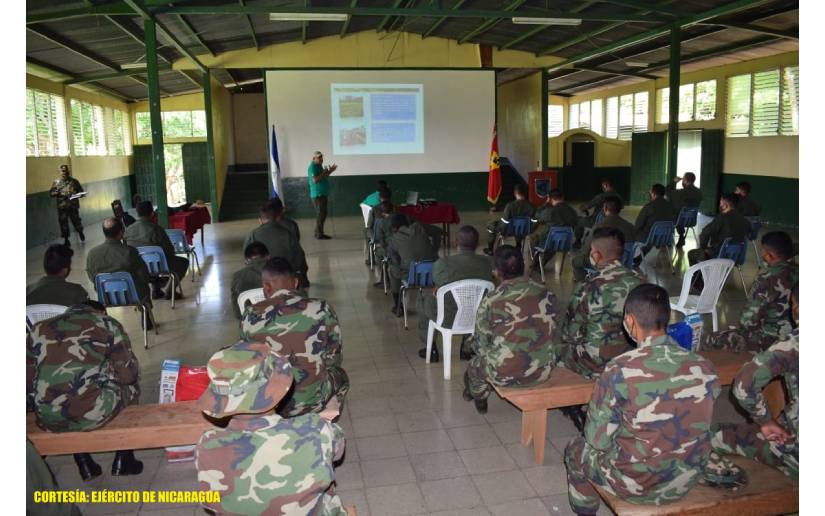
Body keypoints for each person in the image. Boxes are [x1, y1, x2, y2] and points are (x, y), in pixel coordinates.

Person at [564, 284, 720, 515]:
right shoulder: (704, 366)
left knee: (575, 449)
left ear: (630, 320)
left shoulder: (619, 369)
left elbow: (597, 440)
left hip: (634, 484)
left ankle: (584, 512)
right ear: (666, 318)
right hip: (685, 479)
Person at [196, 340, 346, 515]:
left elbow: (210, 501)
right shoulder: (316, 430)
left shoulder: (206, 446)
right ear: (276, 388)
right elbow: (338, 451)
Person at [27, 300, 143, 481]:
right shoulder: (107, 324)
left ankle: (84, 463)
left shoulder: (38, 328)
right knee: (131, 387)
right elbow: (128, 375)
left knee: (71, 397)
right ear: (102, 312)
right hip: (92, 413)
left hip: (47, 416)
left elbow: (26, 383)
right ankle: (124, 458)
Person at [556, 228, 645, 431]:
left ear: (596, 255)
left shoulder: (587, 287)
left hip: (595, 362)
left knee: (556, 351)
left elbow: (570, 334)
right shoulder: (641, 282)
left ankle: (573, 404)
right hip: (632, 358)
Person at [710, 284, 798, 480]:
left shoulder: (794, 346)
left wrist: (766, 421)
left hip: (797, 452)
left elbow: (744, 384)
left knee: (712, 434)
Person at [240, 258, 349, 417]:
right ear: (296, 282)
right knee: (341, 375)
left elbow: (248, 360)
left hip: (267, 402)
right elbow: (334, 358)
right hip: (312, 402)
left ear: (266, 286)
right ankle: (327, 420)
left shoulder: (250, 315)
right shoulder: (321, 308)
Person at [462, 245, 558, 414]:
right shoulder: (547, 293)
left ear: (496, 272)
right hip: (543, 370)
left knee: (474, 367)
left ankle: (480, 397)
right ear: (524, 266)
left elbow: (481, 346)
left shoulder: (492, 299)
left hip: (504, 374)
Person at [704, 231, 798, 352]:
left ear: (770, 255)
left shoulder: (767, 279)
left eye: (762, 250)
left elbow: (747, 322)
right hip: (795, 336)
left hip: (771, 340)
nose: (761, 254)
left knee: (712, 338)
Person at [415, 226, 493, 362]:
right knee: (472, 299)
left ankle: (431, 348)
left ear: (456, 242)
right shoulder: (487, 263)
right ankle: (467, 347)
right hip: (477, 314)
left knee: (423, 300)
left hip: (448, 317)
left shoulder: (442, 264)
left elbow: (437, 286)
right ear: (477, 243)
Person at [124, 200, 188, 300]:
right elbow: (169, 250)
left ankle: (156, 290)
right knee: (183, 263)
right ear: (152, 213)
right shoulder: (156, 229)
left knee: (150, 261)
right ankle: (169, 291)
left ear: (137, 213)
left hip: (138, 266)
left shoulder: (128, 230)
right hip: (158, 265)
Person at [86, 217, 153, 307]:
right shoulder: (130, 251)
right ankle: (147, 316)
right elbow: (144, 276)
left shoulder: (92, 253)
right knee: (144, 287)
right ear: (121, 232)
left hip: (105, 296)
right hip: (132, 295)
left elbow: (92, 277)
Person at [244, 201, 309, 288]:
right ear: (278, 218)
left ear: (260, 220)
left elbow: (247, 259)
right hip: (285, 282)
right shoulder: (288, 234)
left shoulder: (252, 235)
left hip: (260, 282)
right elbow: (299, 259)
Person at [571, 197, 636, 282]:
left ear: (605, 208)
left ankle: (584, 285)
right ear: (619, 209)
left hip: (603, 263)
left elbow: (585, 250)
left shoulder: (599, 227)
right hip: (625, 263)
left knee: (576, 261)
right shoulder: (630, 226)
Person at [387, 214, 439, 317]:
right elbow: (438, 232)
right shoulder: (420, 227)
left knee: (393, 270)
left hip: (411, 278)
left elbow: (393, 259)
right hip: (433, 275)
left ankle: (398, 307)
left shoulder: (394, 238)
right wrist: (435, 249)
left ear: (394, 228)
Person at [687, 193, 751, 267]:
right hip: (736, 258)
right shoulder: (745, 220)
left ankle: (700, 278)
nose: (720, 204)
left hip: (719, 255)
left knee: (691, 253)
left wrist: (703, 248)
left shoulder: (721, 218)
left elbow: (705, 233)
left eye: (721, 202)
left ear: (725, 204)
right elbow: (748, 235)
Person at [532, 189, 580, 269]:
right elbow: (576, 222)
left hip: (549, 243)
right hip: (566, 243)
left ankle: (536, 265)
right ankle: (539, 265)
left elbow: (537, 216)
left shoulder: (550, 212)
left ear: (550, 199)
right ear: (563, 197)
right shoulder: (572, 211)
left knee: (534, 240)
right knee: (554, 242)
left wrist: (545, 204)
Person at [483, 183, 536, 255]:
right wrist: (529, 230)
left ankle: (490, 249)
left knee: (490, 225)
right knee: (520, 225)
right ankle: (518, 245)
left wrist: (502, 231)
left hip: (509, 231)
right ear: (526, 193)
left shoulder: (510, 206)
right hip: (525, 231)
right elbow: (535, 222)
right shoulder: (532, 206)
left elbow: (505, 223)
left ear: (515, 193)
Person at [575, 179, 623, 246]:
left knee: (579, 221)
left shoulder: (601, 196)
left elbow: (587, 206)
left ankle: (578, 241)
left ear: (605, 185)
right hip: (614, 221)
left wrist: (582, 207)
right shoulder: (619, 197)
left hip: (596, 221)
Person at [634, 183, 676, 255]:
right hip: (666, 238)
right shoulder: (670, 206)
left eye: (650, 191)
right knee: (653, 231)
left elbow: (638, 224)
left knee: (631, 233)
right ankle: (641, 256)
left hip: (650, 238)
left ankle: (634, 259)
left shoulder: (649, 206)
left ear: (653, 194)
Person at [231, 242, 269, 320]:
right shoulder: (281, 273)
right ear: (269, 257)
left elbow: (237, 313)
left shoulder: (237, 277)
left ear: (246, 261)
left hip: (251, 324)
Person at [49, 164, 85, 247]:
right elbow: (51, 193)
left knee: (76, 221)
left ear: (68, 171)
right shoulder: (56, 182)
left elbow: (82, 192)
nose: (64, 172)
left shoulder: (74, 181)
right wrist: (55, 193)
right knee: (63, 224)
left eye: (66, 171)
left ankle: (80, 232)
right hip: (62, 207)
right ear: (60, 172)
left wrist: (75, 196)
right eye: (62, 171)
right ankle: (66, 240)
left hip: (73, 206)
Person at [667, 172, 702, 248]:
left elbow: (668, 192)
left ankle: (668, 238)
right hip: (692, 220)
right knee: (680, 211)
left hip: (680, 220)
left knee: (671, 211)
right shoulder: (699, 192)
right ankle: (681, 236)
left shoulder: (681, 192)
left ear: (685, 181)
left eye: (683, 179)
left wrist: (674, 182)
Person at [308, 150, 337, 239]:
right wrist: (324, 172)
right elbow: (315, 180)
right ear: (314, 158)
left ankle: (318, 232)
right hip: (318, 195)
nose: (321, 159)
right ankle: (319, 234)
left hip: (322, 194)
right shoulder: (312, 167)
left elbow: (324, 176)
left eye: (321, 157)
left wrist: (330, 171)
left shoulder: (319, 166)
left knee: (323, 213)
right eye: (319, 157)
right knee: (321, 214)